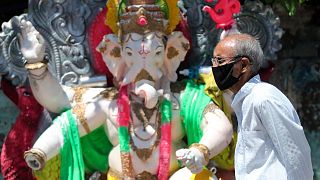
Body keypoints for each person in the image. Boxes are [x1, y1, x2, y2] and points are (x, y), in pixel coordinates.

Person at [211, 33, 314, 180]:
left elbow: (296, 154)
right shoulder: (245, 101)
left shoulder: (263, 97)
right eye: (213, 61)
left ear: (244, 65)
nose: (214, 67)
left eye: (219, 61)